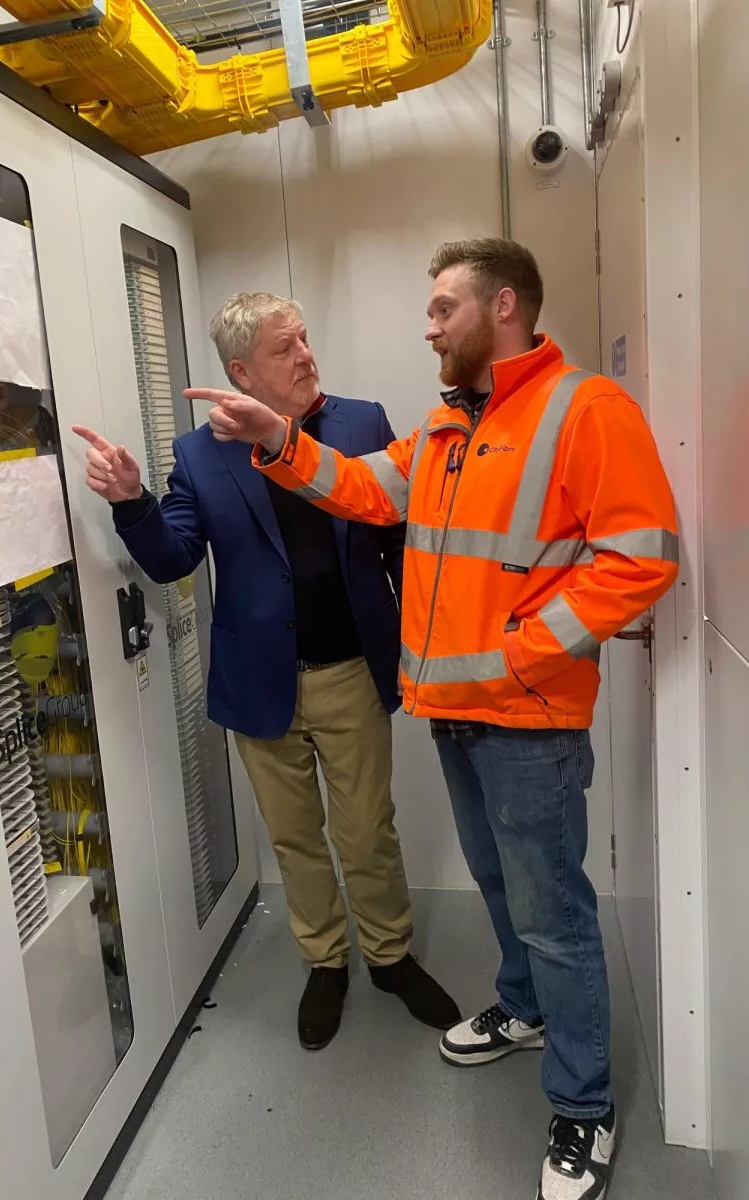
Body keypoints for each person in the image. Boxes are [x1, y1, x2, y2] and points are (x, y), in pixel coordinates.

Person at [186, 242, 679, 1200]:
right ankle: (524, 1010)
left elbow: (641, 555)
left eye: (442, 306)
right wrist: (278, 443)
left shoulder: (585, 409)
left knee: (556, 916)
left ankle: (583, 1108)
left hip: (526, 718)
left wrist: (525, 650)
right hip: (453, 713)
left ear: (502, 308)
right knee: (501, 890)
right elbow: (367, 489)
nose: (428, 324)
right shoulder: (452, 427)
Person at [73, 291, 459, 1052]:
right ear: (243, 371)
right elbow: (175, 557)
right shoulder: (197, 454)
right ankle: (325, 961)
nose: (308, 355)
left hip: (350, 666)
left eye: (307, 339)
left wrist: (422, 639)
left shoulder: (360, 422)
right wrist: (131, 502)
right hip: (260, 679)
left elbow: (397, 540)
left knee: (367, 828)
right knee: (294, 838)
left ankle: (389, 955)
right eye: (288, 348)